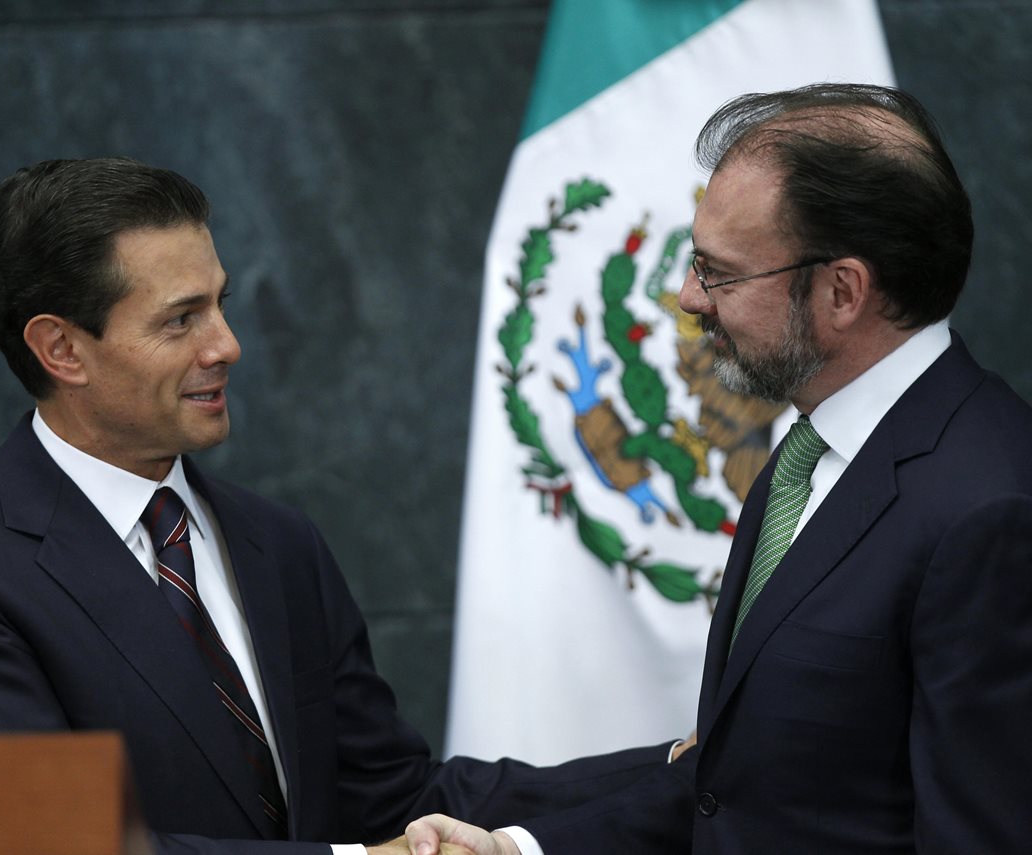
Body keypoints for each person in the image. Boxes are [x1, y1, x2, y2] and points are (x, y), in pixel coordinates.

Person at [0, 157, 665, 855]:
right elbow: (34, 842)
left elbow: (393, 797)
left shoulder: (277, 543)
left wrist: (675, 766)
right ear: (61, 349)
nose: (227, 344)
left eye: (220, 302)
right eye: (181, 319)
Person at [404, 83, 1032, 854]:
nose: (687, 297)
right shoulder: (811, 452)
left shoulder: (991, 508)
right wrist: (514, 847)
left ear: (843, 290)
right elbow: (739, 787)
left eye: (718, 272)